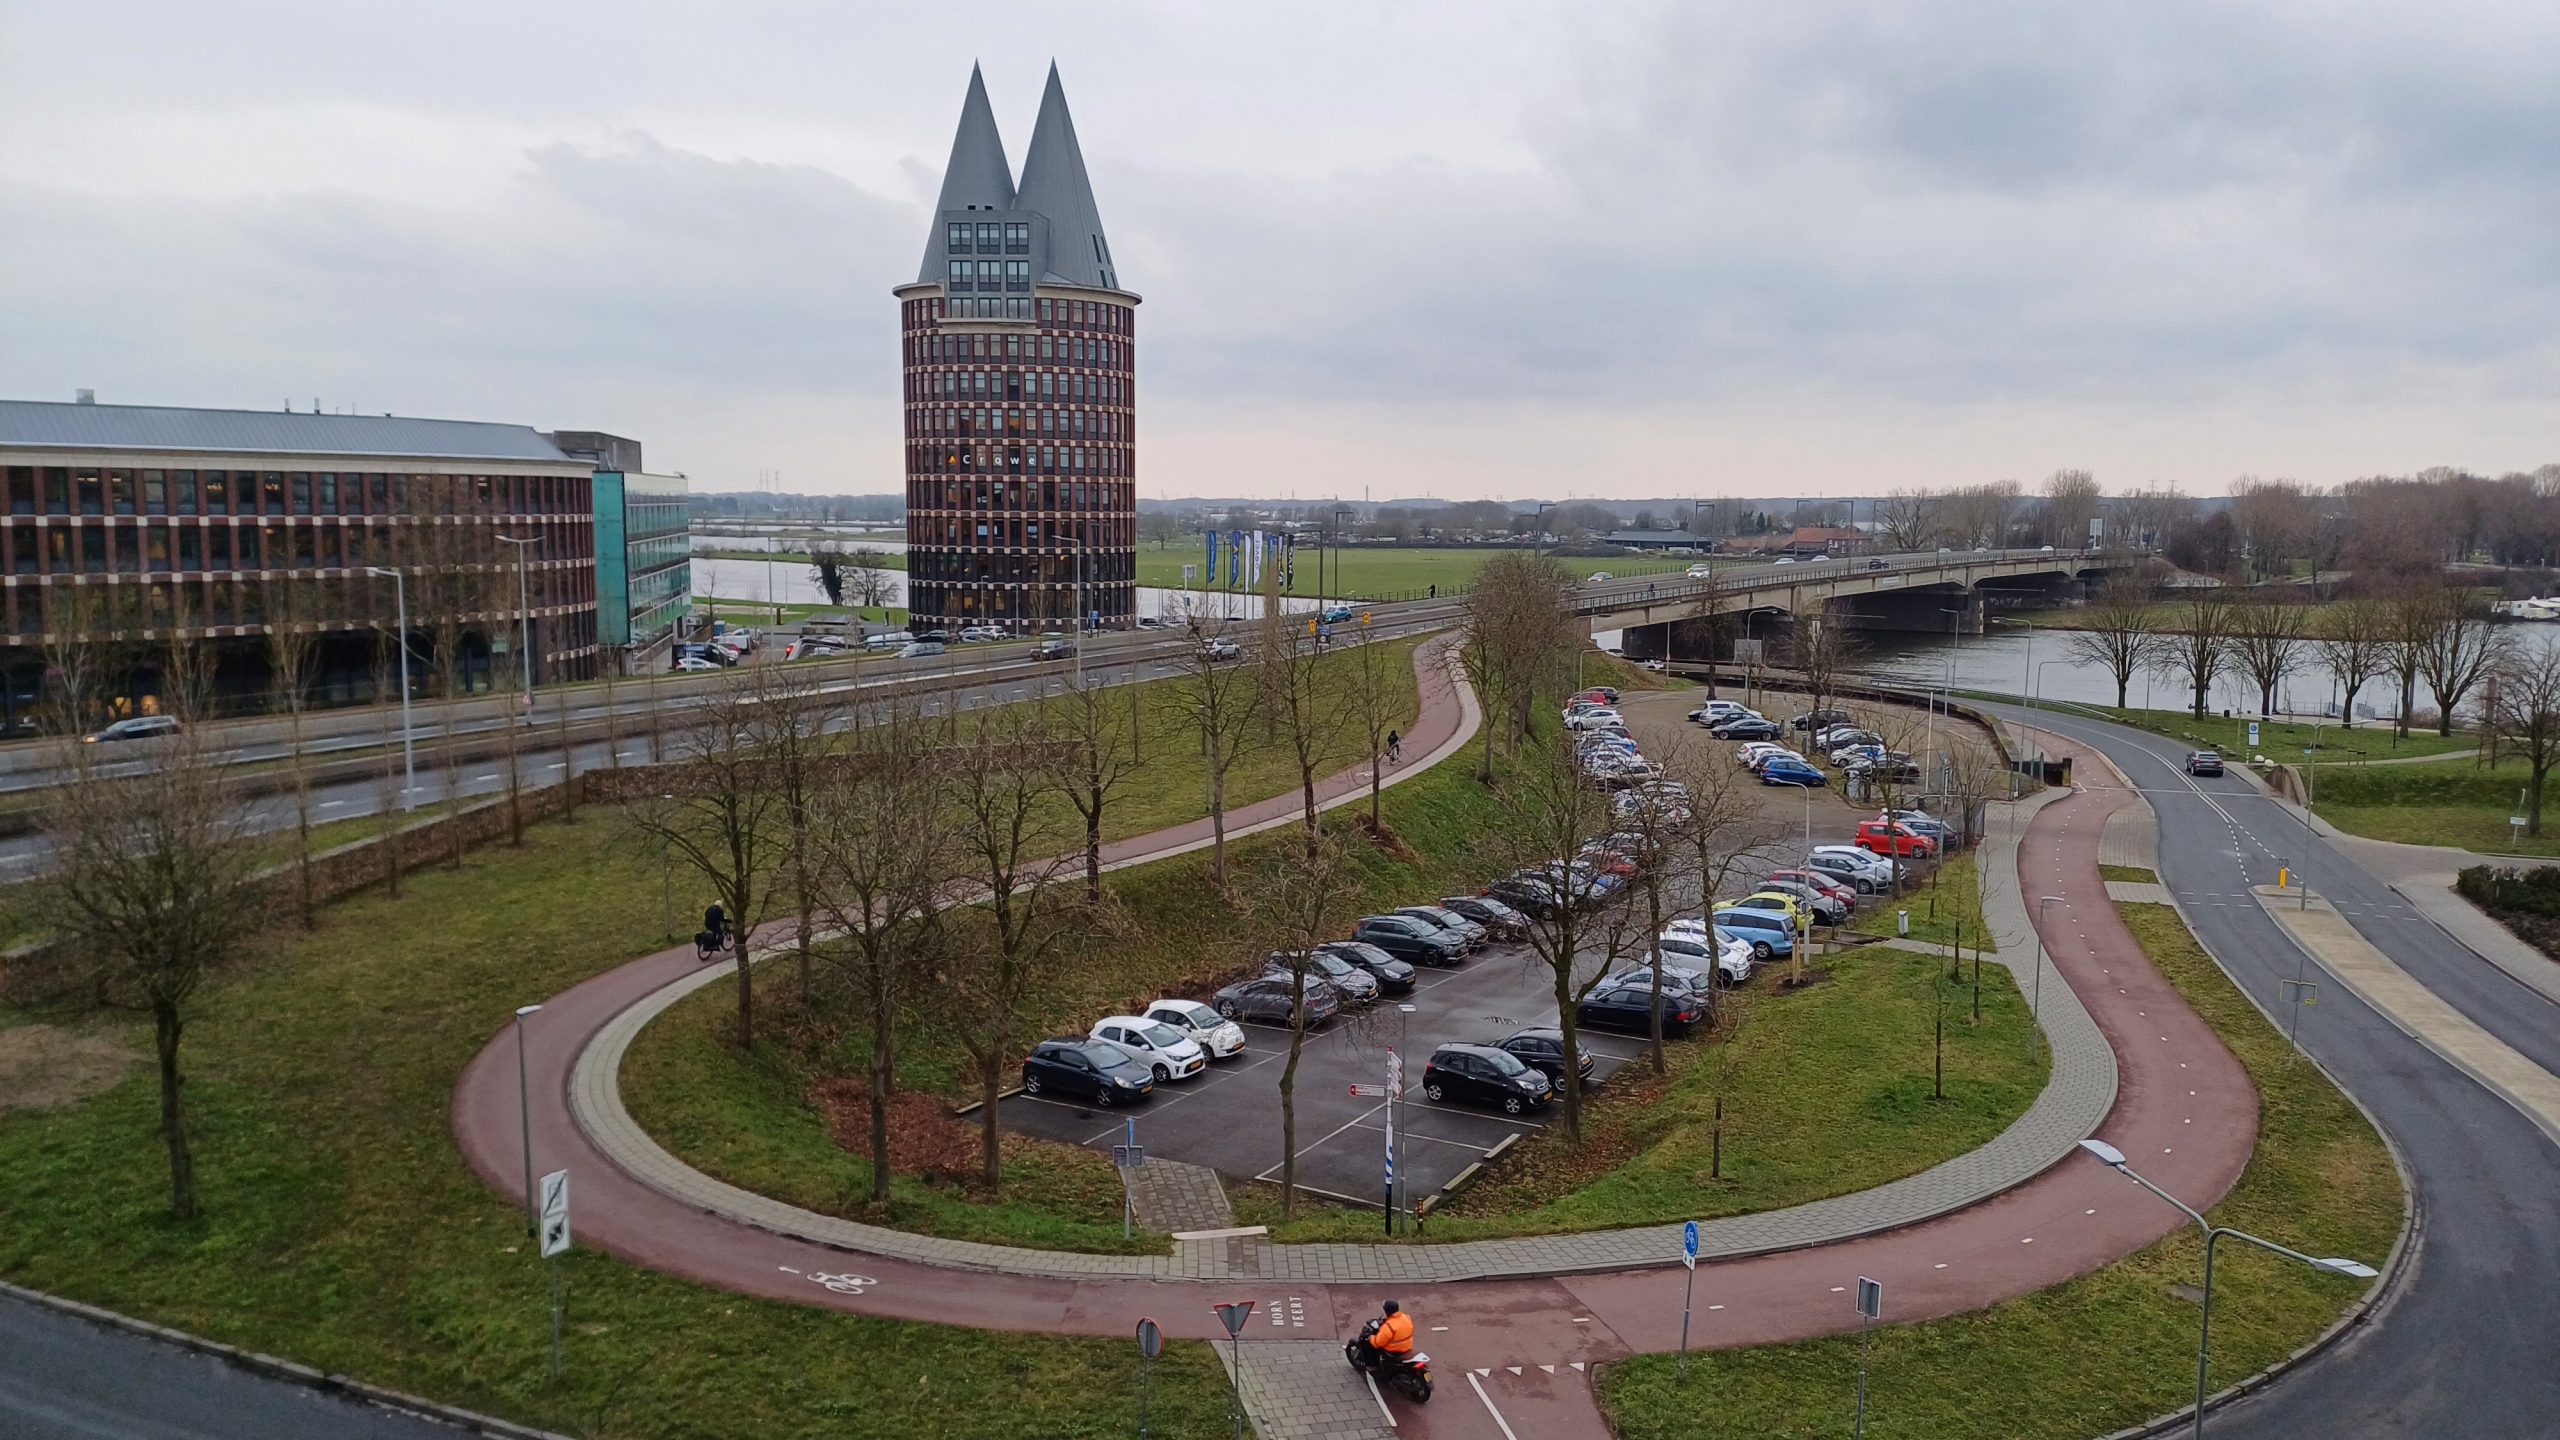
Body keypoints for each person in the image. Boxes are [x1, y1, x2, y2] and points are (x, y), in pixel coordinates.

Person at [1367, 1301, 1415, 1365]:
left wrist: (1371, 1337)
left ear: (1386, 1311)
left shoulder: (1388, 1326)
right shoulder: (1407, 1317)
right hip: (1407, 1346)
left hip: (1393, 1350)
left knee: (1374, 1347)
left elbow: (1378, 1343)